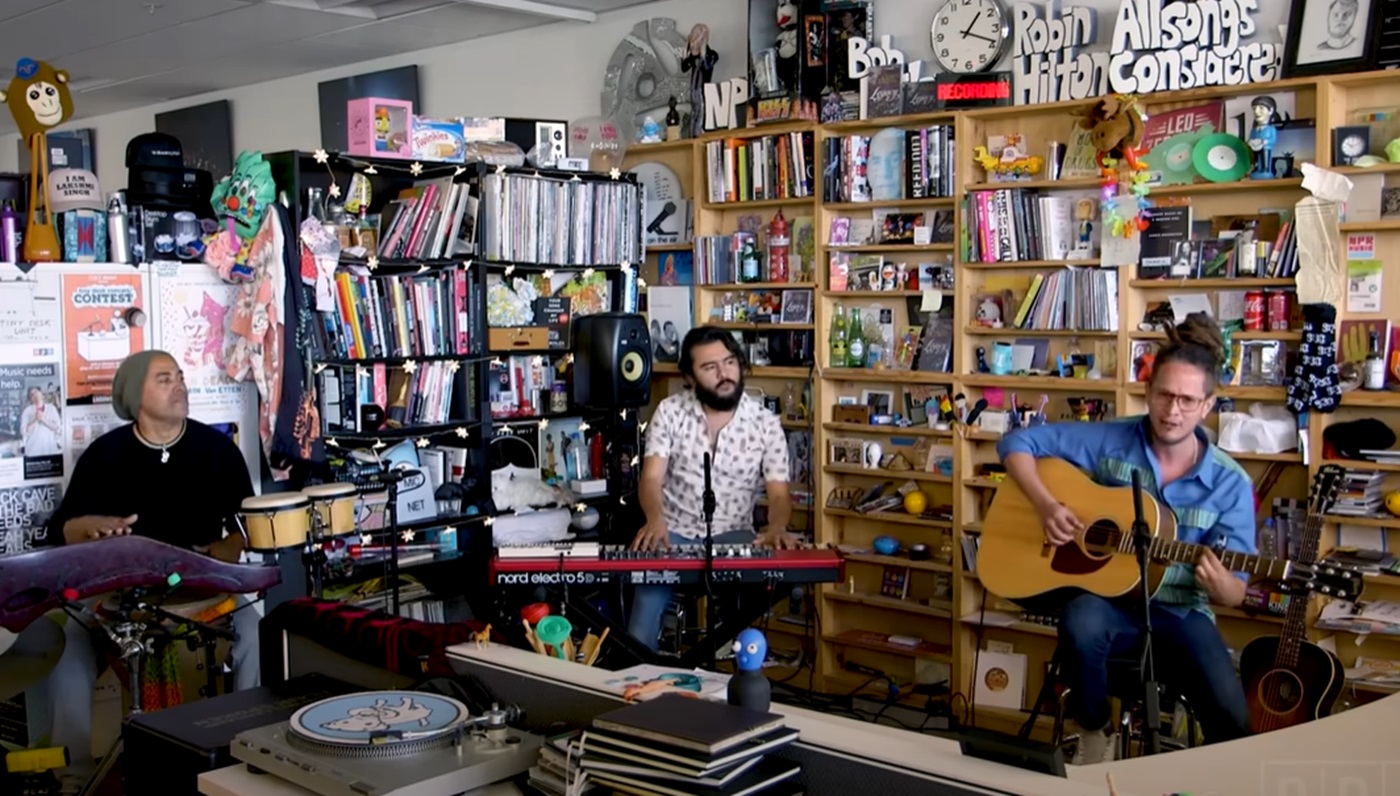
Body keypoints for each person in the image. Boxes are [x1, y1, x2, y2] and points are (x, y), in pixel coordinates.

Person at [996, 314, 1254, 764]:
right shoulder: (1113, 439)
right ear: (1148, 392)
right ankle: (1095, 730)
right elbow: (1017, 444)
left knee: (1233, 718)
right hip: (1109, 602)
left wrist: (1223, 587)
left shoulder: (1230, 483)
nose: (1173, 411)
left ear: (1207, 406)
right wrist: (1046, 505)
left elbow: (1236, 592)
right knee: (1081, 619)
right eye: (1164, 396)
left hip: (1181, 612)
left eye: (1187, 401)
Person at [26, 350, 259, 791]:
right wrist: (89, 528)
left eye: (181, 377)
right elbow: (64, 529)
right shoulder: (104, 456)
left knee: (251, 630)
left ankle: (243, 758)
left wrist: (224, 549)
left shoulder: (217, 451)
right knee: (63, 648)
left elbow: (245, 528)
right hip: (116, 596)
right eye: (165, 379)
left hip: (202, 590)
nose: (180, 386)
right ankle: (71, 777)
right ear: (134, 394)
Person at [627, 326, 797, 652]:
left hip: (734, 534)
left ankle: (729, 675)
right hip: (671, 532)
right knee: (644, 604)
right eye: (710, 367)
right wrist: (654, 519)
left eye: (729, 362)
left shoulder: (765, 424)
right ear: (689, 377)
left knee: (760, 596)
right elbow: (650, 479)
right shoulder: (669, 412)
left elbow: (778, 494)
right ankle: (637, 684)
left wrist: (777, 527)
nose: (724, 374)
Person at [22, 386, 62, 456]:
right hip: (33, 451)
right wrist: (35, 420)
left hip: (50, 449)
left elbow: (58, 428)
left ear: (41, 393)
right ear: (30, 399)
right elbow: (24, 431)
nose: (35, 395)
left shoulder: (51, 408)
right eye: (32, 395)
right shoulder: (27, 411)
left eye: (36, 392)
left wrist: (43, 419)